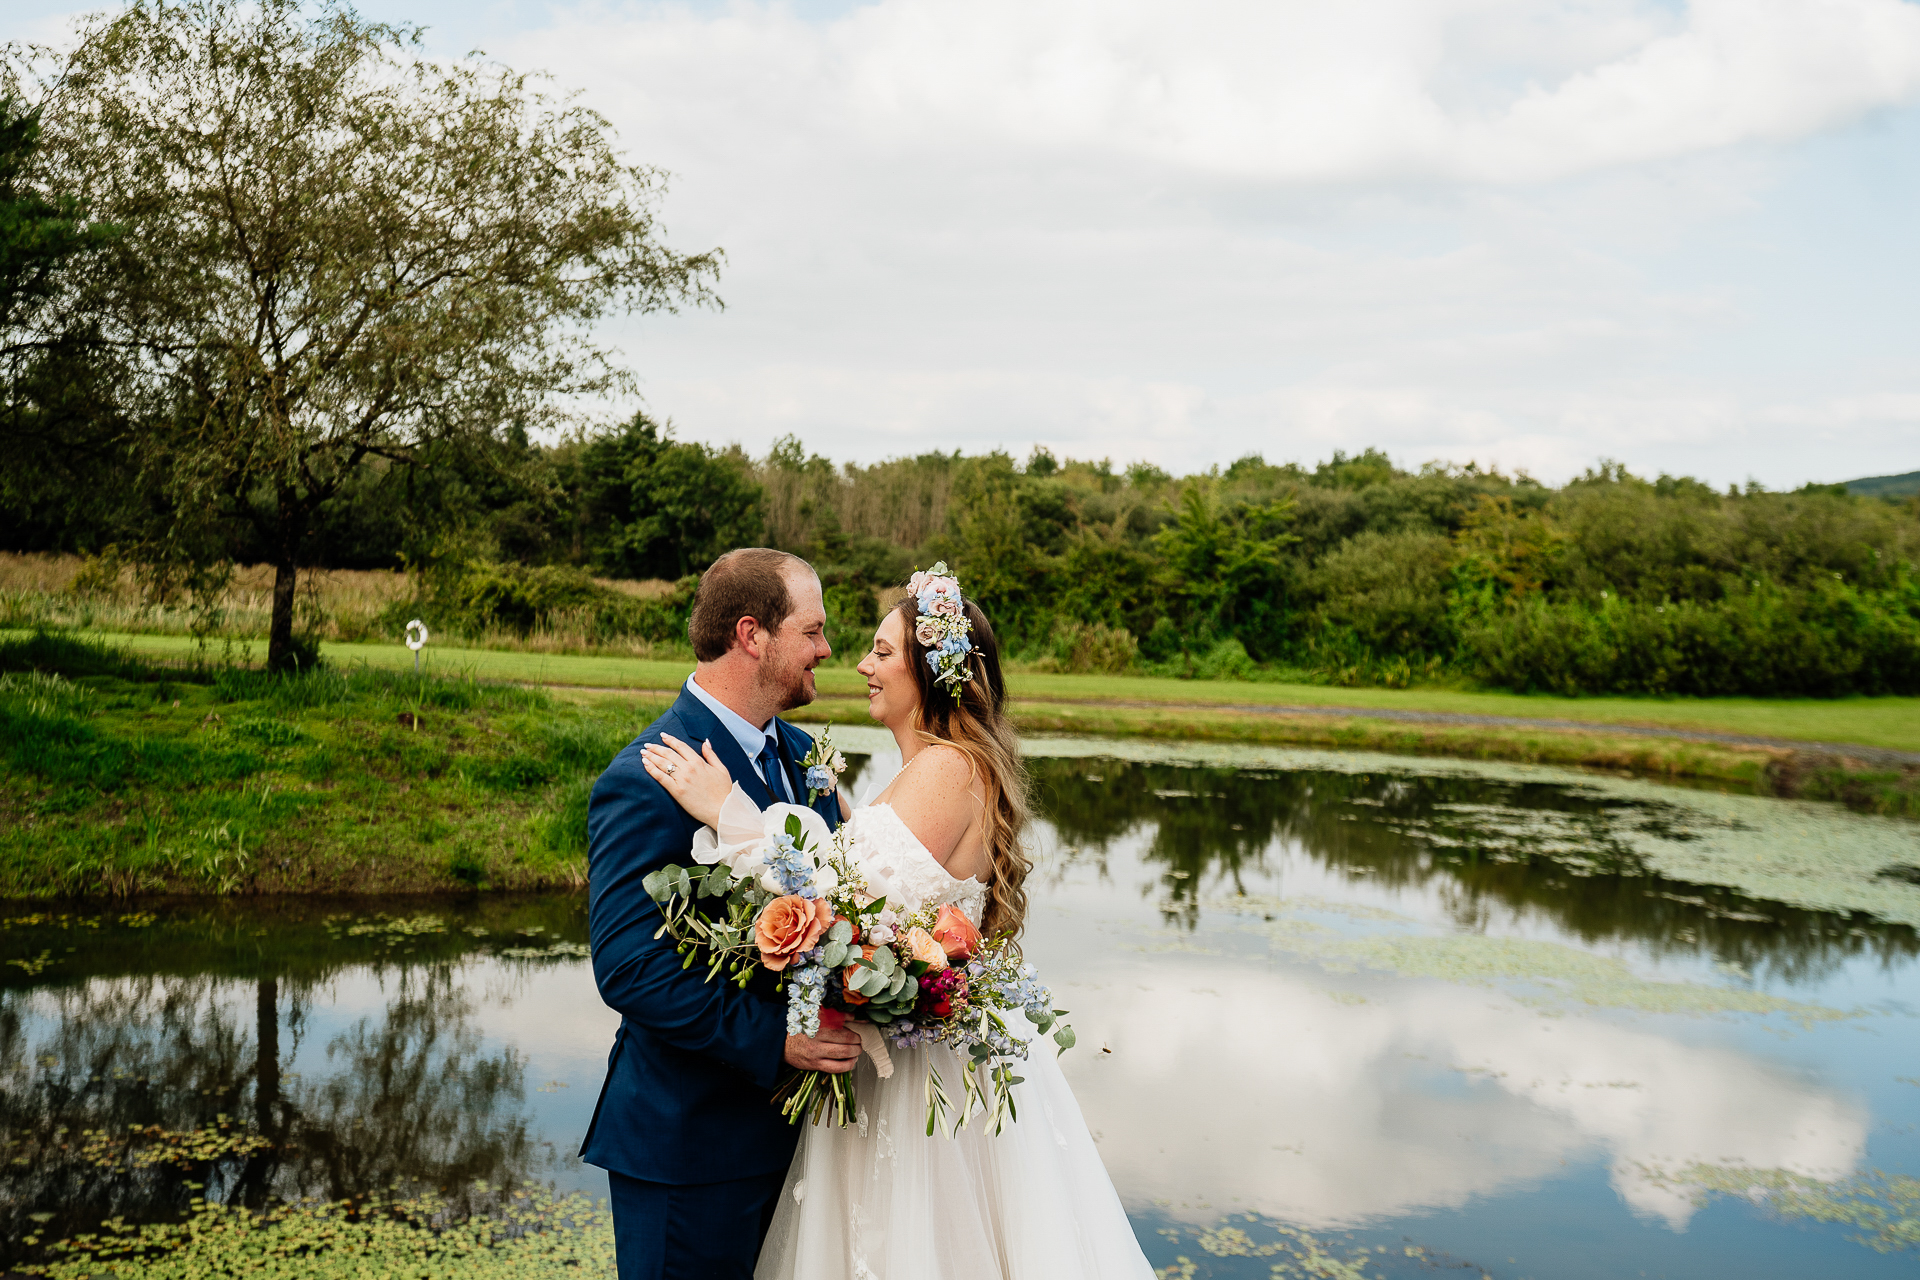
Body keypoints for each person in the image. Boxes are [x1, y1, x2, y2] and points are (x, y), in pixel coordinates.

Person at [639, 566, 1155, 1279]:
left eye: (883, 652)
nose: (860, 664)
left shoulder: (945, 770)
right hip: (903, 1066)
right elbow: (871, 869)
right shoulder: (930, 774)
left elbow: (844, 907)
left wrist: (730, 813)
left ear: (929, 671)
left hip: (916, 1089)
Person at [580, 548, 862, 1279]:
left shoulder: (808, 759)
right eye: (813, 630)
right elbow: (630, 968)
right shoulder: (645, 777)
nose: (828, 650)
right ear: (751, 634)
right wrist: (780, 1041)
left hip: (807, 1149)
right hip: (689, 1153)